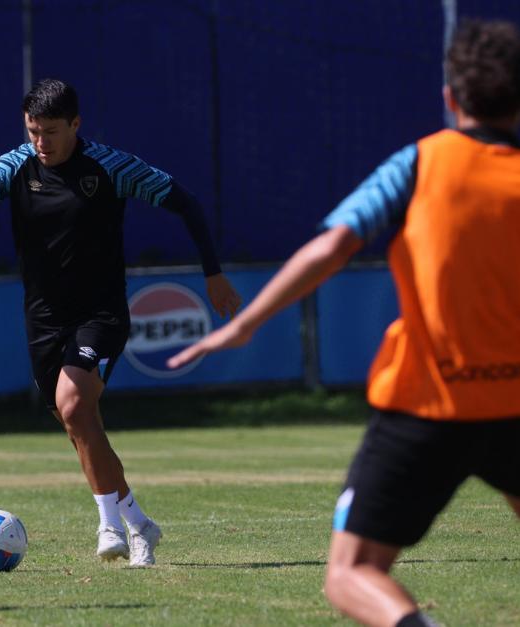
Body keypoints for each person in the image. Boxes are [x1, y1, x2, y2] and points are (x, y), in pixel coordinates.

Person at [169, 18, 520, 627]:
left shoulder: (420, 165)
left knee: (351, 573)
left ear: (450, 97)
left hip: (428, 406)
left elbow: (331, 248)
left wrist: (245, 324)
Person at [0, 79, 242, 567]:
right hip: (43, 318)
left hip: (101, 313)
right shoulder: (15, 166)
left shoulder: (112, 168)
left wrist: (212, 273)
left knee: (73, 405)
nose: (40, 143)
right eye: (32, 132)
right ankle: (140, 526)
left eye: (50, 131)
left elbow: (186, 203)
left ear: (75, 124)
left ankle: (108, 525)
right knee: (79, 425)